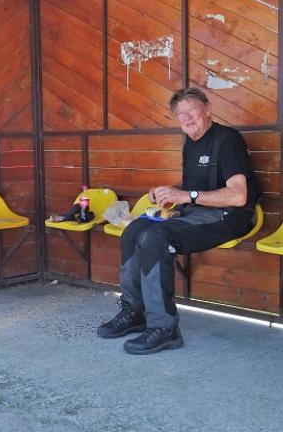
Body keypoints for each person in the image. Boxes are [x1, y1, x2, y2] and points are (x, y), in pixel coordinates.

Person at [96, 87, 261, 354]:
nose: (186, 117)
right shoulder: (191, 143)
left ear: (207, 109)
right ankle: (135, 311)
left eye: (191, 110)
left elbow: (239, 195)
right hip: (195, 214)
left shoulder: (227, 139)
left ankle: (165, 328)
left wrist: (185, 194)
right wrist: (168, 193)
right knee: (134, 230)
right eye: (180, 113)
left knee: (155, 238)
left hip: (229, 217)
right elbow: (193, 187)